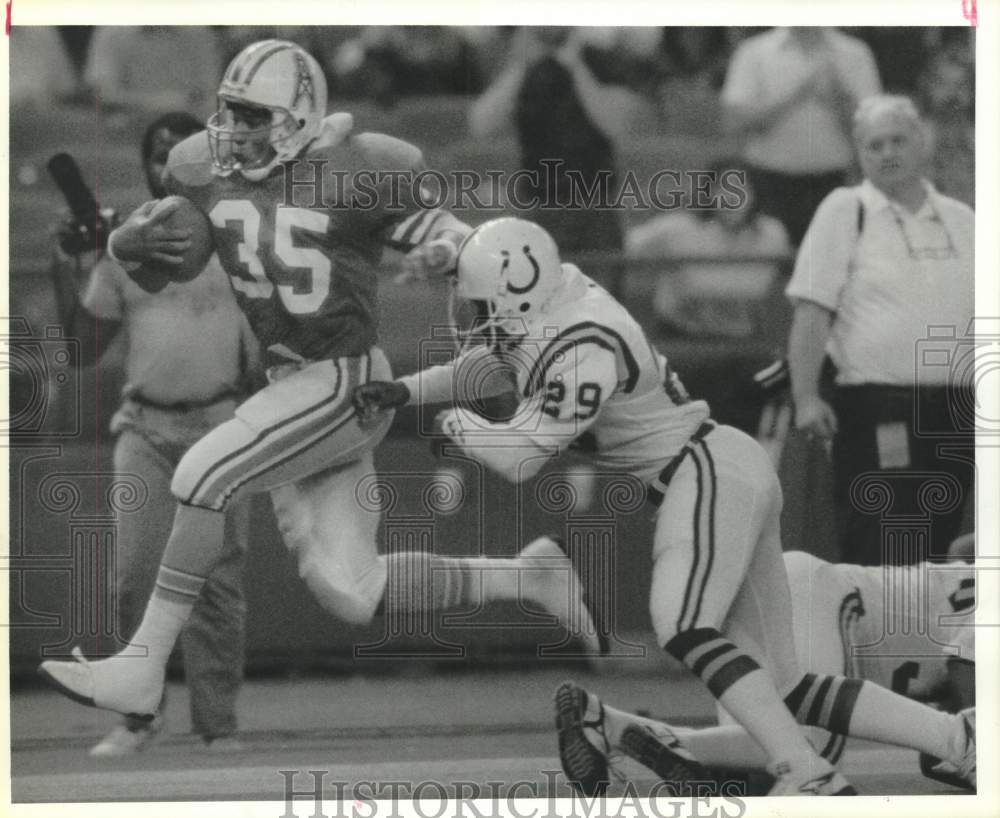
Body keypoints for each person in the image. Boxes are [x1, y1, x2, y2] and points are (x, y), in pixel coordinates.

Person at [39, 40, 600, 722]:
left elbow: (454, 232)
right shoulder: (201, 171)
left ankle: (142, 667)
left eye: (253, 116)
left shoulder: (359, 167)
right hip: (294, 387)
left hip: (342, 381)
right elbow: (172, 269)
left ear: (298, 119)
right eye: (229, 113)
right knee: (351, 591)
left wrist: (445, 249)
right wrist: (128, 243)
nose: (235, 131)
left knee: (202, 473)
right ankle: (531, 574)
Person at [353, 216, 975, 796]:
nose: (469, 314)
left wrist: (451, 422)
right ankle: (957, 739)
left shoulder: (583, 346)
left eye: (478, 304)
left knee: (681, 623)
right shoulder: (551, 296)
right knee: (786, 684)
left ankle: (806, 770)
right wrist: (405, 389)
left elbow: (518, 456)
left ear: (518, 294)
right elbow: (489, 357)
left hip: (700, 473)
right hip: (719, 466)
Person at [47, 112, 256, 756]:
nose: (167, 163)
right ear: (143, 167)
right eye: (156, 153)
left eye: (181, 151)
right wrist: (70, 260)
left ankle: (217, 726)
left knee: (217, 580)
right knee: (133, 575)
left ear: (210, 158)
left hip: (223, 424)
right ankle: (139, 717)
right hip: (145, 426)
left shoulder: (242, 236)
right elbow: (82, 350)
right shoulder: (125, 243)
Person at [554, 535, 976, 794]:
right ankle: (622, 730)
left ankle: (611, 726)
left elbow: (964, 549)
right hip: (819, 599)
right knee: (807, 765)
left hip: (790, 589)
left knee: (760, 766)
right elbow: (965, 665)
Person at [786, 95, 975, 567]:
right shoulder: (845, 209)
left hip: (958, 405)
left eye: (897, 140)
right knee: (884, 532)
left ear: (922, 141)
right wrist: (806, 395)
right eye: (874, 145)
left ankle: (927, 641)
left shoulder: (963, 219)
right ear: (859, 153)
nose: (887, 152)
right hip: (879, 404)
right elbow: (812, 310)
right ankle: (877, 641)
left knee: (941, 534)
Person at [468, 27, 636, 257]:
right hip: (538, 202)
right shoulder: (519, 64)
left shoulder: (600, 59)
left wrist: (575, 66)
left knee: (600, 290)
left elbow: (616, 125)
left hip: (596, 204)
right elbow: (481, 125)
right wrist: (520, 67)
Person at [720, 27, 881, 246]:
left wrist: (838, 96)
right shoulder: (754, 51)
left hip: (833, 182)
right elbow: (735, 121)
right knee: (774, 267)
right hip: (767, 183)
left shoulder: (855, 53)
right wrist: (797, 94)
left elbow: (874, 128)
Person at [626, 160, 790, 339]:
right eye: (722, 188)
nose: (731, 198)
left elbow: (758, 289)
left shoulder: (772, 233)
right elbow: (622, 249)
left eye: (740, 189)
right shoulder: (677, 228)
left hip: (743, 341)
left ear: (755, 195)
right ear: (708, 193)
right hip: (680, 339)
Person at [83, 27, 223, 119]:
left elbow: (210, 92)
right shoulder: (112, 32)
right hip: (127, 130)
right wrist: (167, 102)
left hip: (188, 129)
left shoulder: (199, 33)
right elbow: (103, 94)